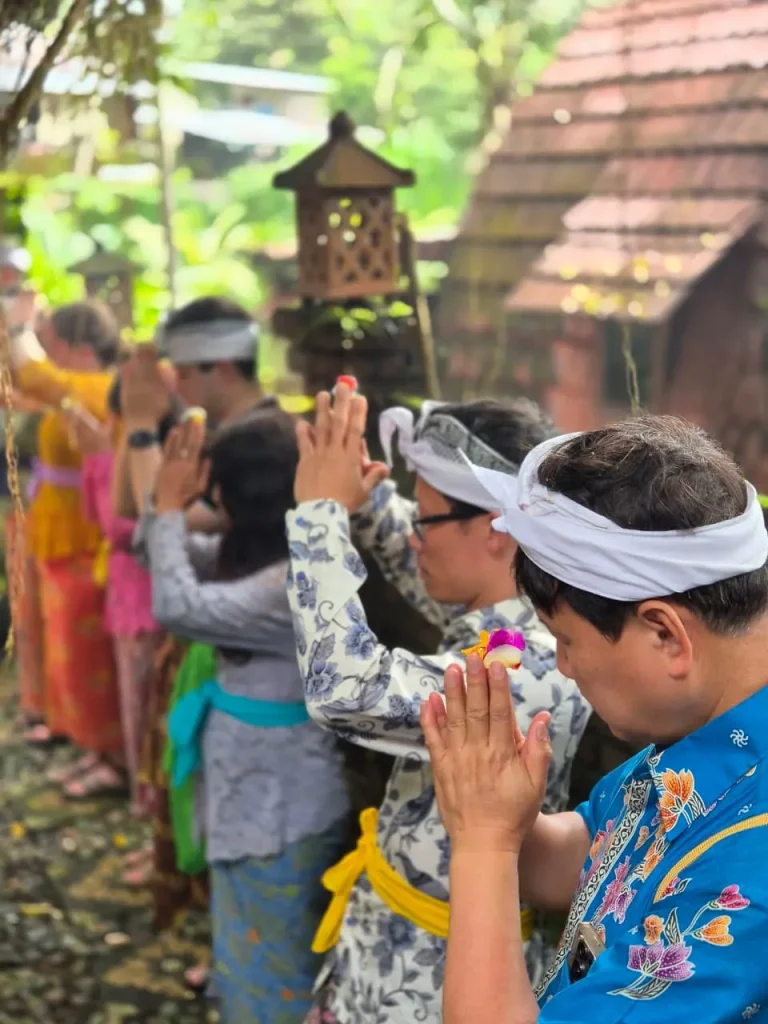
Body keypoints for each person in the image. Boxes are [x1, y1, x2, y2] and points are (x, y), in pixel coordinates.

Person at [420, 415, 768, 1024]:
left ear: (665, 634)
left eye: (567, 640)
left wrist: (482, 845)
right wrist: (494, 810)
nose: (563, 666)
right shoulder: (711, 735)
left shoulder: (747, 877)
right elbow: (596, 857)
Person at [288, 383, 591, 1024]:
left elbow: (346, 687)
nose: (413, 535)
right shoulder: (514, 621)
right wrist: (362, 495)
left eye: (425, 518)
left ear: (496, 528)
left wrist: (319, 513)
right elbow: (414, 545)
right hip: (381, 954)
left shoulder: (526, 666)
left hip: (428, 987)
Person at [136, 412, 351, 1021]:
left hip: (283, 802)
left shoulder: (295, 580)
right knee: (244, 937)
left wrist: (173, 507)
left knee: (277, 960)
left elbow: (177, 603)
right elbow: (154, 553)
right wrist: (164, 506)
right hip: (250, 785)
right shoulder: (260, 555)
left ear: (231, 496)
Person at [8, 298, 125, 796]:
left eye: (52, 338)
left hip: (85, 540)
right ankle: (90, 748)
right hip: (60, 535)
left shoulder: (97, 388)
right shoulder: (70, 392)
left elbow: (34, 378)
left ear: (78, 346)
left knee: (90, 653)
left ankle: (113, 759)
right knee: (69, 650)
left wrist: (13, 328)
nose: (46, 347)